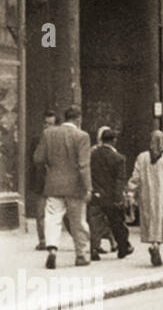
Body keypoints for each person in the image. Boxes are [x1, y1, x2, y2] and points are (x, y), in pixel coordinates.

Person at [34, 106, 93, 269]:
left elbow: (38, 158)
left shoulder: (49, 133)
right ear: (78, 119)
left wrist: (50, 168)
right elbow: (83, 165)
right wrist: (88, 188)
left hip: (53, 184)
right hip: (76, 186)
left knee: (52, 218)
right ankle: (81, 255)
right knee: (78, 221)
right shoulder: (82, 136)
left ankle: (52, 249)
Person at [127, 130, 163, 267]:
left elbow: (135, 177)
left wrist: (130, 193)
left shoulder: (142, 157)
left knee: (150, 221)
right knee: (160, 223)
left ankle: (153, 244)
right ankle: (156, 246)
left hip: (147, 196)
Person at [89, 127, 132, 260]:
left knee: (95, 223)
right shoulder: (119, 158)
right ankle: (122, 247)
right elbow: (120, 180)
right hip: (111, 196)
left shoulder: (93, 155)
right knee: (117, 222)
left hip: (96, 194)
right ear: (114, 141)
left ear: (101, 140)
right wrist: (119, 198)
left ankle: (94, 248)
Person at [29, 110, 57, 250]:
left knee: (64, 214)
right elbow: (31, 162)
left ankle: (79, 239)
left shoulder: (59, 140)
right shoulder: (36, 140)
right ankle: (42, 240)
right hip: (40, 181)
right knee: (40, 213)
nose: (47, 126)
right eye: (46, 123)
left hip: (55, 182)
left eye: (51, 124)